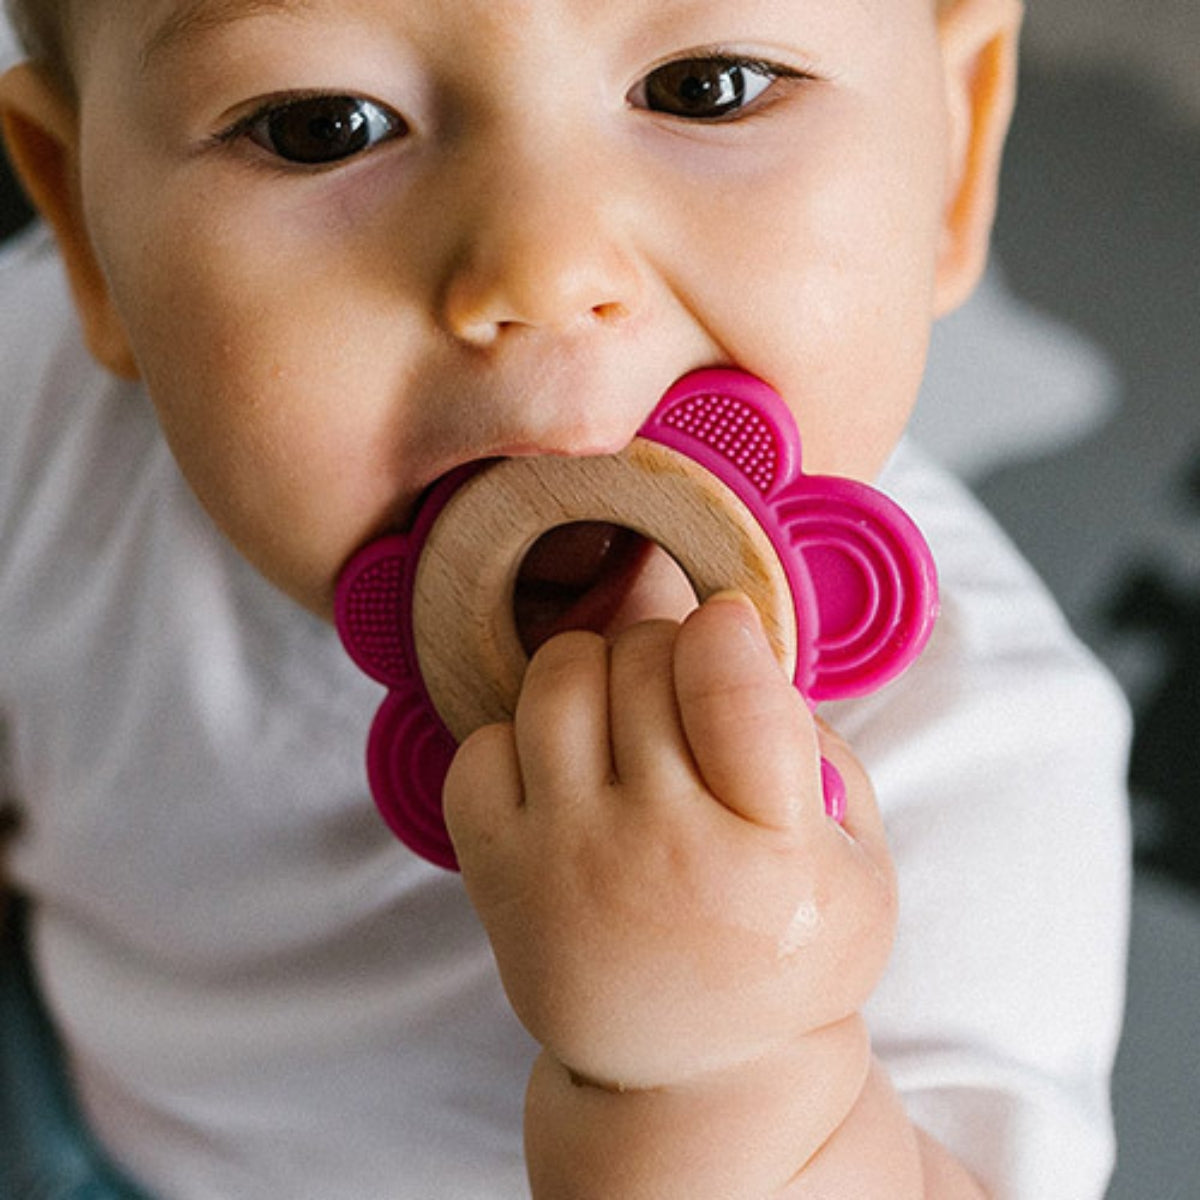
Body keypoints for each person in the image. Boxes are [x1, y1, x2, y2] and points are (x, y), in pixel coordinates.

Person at [0, 0, 1131, 1196]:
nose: (543, 268)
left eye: (709, 87)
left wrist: (732, 1071)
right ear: (86, 221)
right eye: (322, 125)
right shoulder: (51, 416)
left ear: (951, 154)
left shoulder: (973, 757)